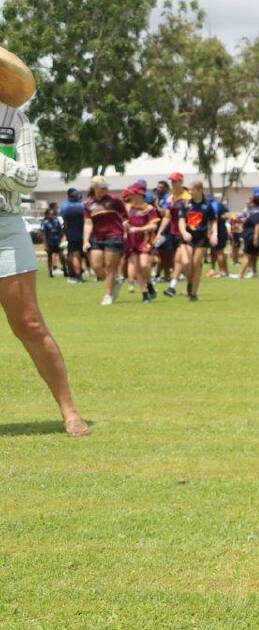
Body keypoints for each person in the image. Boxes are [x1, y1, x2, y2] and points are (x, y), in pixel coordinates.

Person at [0, 48, 89, 436]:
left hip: (5, 226)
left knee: (30, 323)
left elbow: (30, 179)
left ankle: (69, 411)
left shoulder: (14, 120)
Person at [82, 176, 127, 305]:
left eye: (106, 187)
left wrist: (126, 225)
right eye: (102, 188)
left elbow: (125, 216)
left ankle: (108, 295)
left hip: (114, 235)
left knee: (110, 266)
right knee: (96, 266)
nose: (105, 189)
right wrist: (85, 240)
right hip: (97, 237)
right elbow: (88, 223)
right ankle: (115, 281)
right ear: (94, 188)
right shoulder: (88, 204)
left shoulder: (115, 201)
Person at [121, 182, 160, 303]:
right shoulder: (128, 207)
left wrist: (138, 229)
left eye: (132, 194)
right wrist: (124, 224)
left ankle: (149, 284)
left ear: (139, 194)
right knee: (137, 267)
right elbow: (124, 220)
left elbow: (153, 226)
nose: (130, 196)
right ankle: (144, 293)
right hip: (131, 240)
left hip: (145, 240)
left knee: (144, 265)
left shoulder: (148, 209)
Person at [179, 181, 218, 301]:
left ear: (200, 190)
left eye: (192, 190)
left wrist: (214, 234)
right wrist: (184, 232)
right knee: (186, 263)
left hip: (201, 238)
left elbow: (213, 221)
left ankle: (193, 293)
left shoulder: (208, 205)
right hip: (188, 238)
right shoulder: (186, 204)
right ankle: (189, 283)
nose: (190, 192)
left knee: (196, 265)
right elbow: (181, 221)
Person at [60, 188, 87, 282]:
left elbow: (65, 222)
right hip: (83, 234)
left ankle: (78, 275)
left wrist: (65, 233)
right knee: (81, 255)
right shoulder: (82, 206)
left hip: (72, 235)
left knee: (74, 255)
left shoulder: (65, 207)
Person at [40, 204, 64, 278]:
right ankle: (50, 272)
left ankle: (65, 269)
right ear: (47, 215)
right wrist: (45, 245)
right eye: (50, 214)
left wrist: (61, 240)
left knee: (62, 256)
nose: (52, 215)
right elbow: (43, 234)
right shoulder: (45, 223)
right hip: (50, 243)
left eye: (53, 214)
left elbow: (61, 231)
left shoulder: (56, 221)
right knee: (50, 257)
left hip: (57, 242)